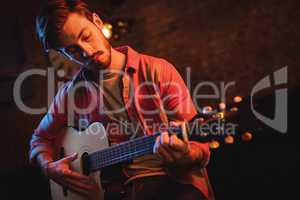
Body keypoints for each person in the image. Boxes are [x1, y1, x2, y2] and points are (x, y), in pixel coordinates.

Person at [30, 0, 215, 199]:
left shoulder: (158, 70)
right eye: (73, 50)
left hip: (171, 182)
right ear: (63, 53)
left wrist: (186, 154)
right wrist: (49, 168)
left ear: (97, 22)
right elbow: (39, 139)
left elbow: (200, 150)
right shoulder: (69, 94)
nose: (87, 52)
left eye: (86, 36)